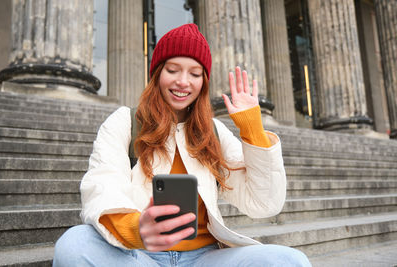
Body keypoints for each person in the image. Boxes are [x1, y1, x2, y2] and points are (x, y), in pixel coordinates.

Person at [53, 23, 311, 266]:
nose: (183, 82)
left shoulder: (215, 132)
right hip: (139, 255)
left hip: (204, 258)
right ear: (157, 73)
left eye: (195, 73)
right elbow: (102, 187)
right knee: (74, 244)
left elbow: (263, 203)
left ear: (203, 82)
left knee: (290, 261)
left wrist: (253, 130)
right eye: (172, 70)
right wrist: (138, 229)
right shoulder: (124, 122)